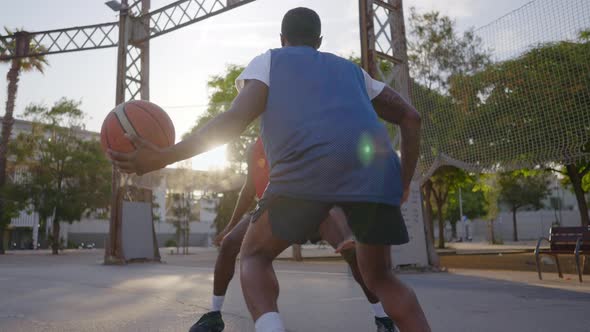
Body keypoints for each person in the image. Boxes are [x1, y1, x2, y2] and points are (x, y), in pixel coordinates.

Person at [110, 7, 430, 332]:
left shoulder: (270, 61)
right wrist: (402, 184)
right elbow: (411, 118)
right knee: (381, 277)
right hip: (375, 180)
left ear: (282, 38)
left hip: (303, 176)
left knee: (254, 257)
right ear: (319, 41)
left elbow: (234, 120)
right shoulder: (353, 72)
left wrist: (164, 156)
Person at [189, 138, 397, 332]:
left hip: (315, 202)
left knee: (350, 250)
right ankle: (214, 315)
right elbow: (249, 189)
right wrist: (230, 226)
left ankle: (383, 317)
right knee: (230, 244)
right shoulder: (256, 147)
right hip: (271, 211)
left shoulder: (299, 128)